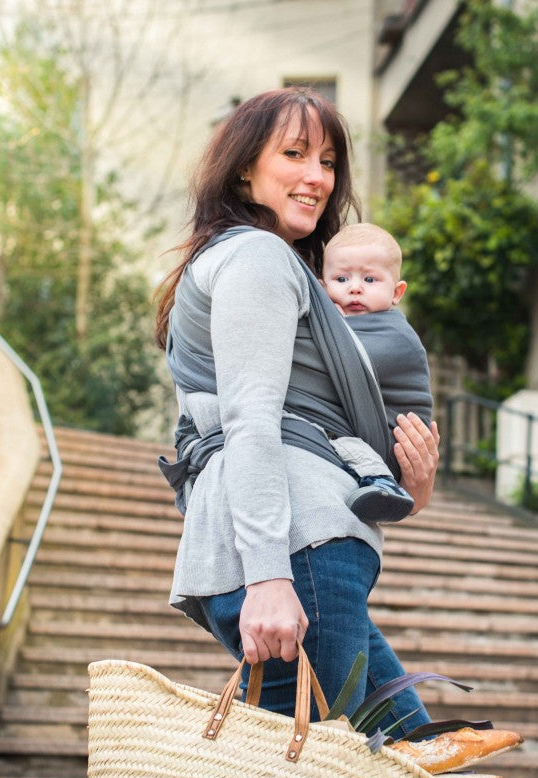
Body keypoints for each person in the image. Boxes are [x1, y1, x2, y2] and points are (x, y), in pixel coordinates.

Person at [154, 87, 440, 735]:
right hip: (296, 553)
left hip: (307, 550)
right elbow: (250, 419)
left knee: (417, 764)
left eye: (329, 161)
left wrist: (412, 483)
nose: (317, 176)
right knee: (308, 767)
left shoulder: (273, 268)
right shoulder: (257, 256)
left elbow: (316, 423)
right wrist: (267, 578)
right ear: (243, 169)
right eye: (294, 154)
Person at [320, 222, 433, 525]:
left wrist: (331, 325)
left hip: (394, 447)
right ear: (322, 286)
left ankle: (381, 484)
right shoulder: (351, 323)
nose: (355, 287)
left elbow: (341, 362)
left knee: (335, 439)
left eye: (369, 279)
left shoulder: (396, 334)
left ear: (397, 292)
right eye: (341, 278)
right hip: (371, 435)